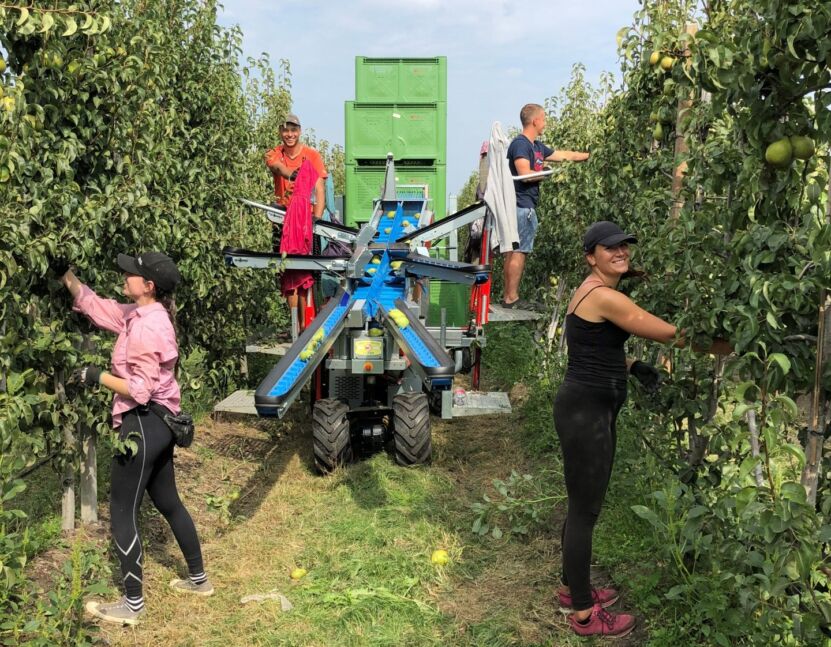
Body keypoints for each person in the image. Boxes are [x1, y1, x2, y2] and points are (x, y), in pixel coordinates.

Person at [553, 221, 731, 637]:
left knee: (581, 502)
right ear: (590, 256)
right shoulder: (603, 296)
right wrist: (727, 343)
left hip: (588, 407)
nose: (621, 252)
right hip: (587, 413)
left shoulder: (596, 292)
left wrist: (631, 365)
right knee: (585, 510)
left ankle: (571, 587)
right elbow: (669, 333)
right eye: (610, 247)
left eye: (625, 246)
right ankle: (583, 615)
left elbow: (592, 346)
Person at [55, 252, 212, 626]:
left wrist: (94, 376)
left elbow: (139, 391)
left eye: (133, 273)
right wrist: (67, 276)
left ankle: (133, 604)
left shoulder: (144, 328)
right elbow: (100, 308)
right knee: (169, 501)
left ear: (149, 286)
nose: (125, 276)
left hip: (141, 423)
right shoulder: (142, 315)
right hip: (160, 426)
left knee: (123, 511)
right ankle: (199, 580)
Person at [503, 103, 590, 310]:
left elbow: (564, 155)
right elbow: (525, 175)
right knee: (518, 251)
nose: (546, 123)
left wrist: (588, 156)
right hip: (521, 205)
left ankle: (508, 296)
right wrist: (547, 172)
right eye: (544, 119)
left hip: (525, 206)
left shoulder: (537, 147)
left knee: (514, 251)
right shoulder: (520, 144)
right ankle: (511, 298)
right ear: (535, 121)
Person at [264, 113, 328, 323]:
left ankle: (306, 323)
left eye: (293, 130)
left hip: (306, 219)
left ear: (299, 131)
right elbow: (276, 167)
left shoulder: (311, 155)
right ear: (280, 132)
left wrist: (316, 219)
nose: (289, 134)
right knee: (287, 272)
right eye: (285, 130)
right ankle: (294, 324)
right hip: (283, 218)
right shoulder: (275, 153)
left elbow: (320, 188)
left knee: (307, 272)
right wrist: (291, 174)